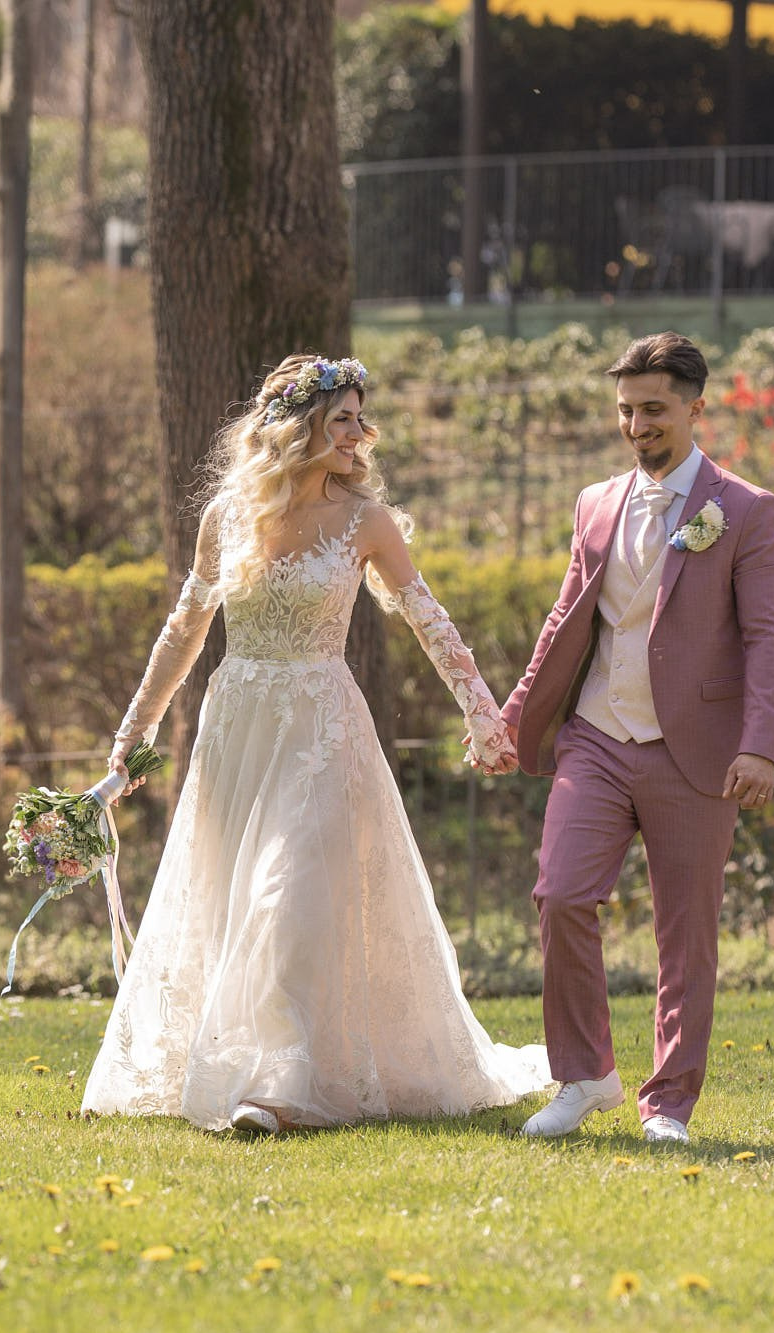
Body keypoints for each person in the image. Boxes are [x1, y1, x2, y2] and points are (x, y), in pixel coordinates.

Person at [81, 354, 551, 1133]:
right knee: (236, 894)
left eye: (361, 420)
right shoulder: (225, 517)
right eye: (343, 420)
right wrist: (135, 733)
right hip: (237, 727)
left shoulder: (366, 521)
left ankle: (278, 1088)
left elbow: (428, 616)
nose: (360, 434)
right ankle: (246, 1063)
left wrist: (481, 711)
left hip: (322, 727)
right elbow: (184, 630)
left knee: (288, 889)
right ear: (297, 427)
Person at [501, 332, 774, 1141]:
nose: (637, 425)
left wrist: (760, 742)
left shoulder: (746, 511)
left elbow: (769, 637)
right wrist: (516, 716)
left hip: (694, 748)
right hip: (596, 734)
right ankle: (586, 1075)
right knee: (560, 893)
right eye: (626, 410)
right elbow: (566, 620)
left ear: (697, 409)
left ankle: (667, 1104)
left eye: (654, 409)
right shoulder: (595, 503)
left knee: (685, 935)